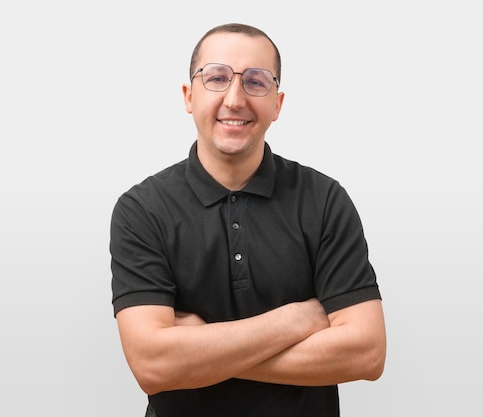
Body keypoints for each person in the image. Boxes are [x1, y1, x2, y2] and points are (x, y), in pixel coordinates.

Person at [110, 22, 386, 417]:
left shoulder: (324, 200)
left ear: (278, 103)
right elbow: (152, 366)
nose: (235, 99)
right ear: (189, 96)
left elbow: (367, 353)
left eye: (256, 82)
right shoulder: (142, 210)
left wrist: (198, 352)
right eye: (217, 78)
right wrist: (296, 320)